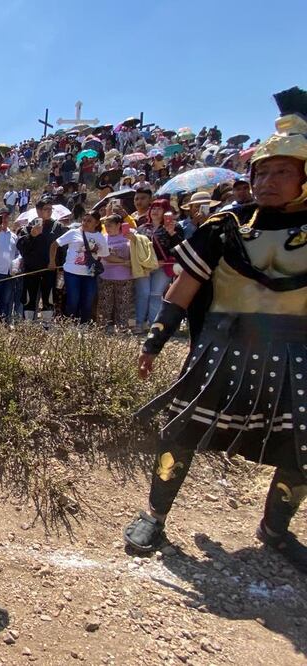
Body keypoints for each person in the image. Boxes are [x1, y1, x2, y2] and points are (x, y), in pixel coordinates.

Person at [123, 87, 307, 573]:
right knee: (181, 434)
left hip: (298, 353)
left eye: (282, 171)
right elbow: (182, 290)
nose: (268, 180)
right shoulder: (225, 227)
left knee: (301, 448)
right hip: (223, 347)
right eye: (262, 171)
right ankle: (154, 516)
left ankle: (274, 529)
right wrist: (155, 339)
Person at [51, 211, 109, 323]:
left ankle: (84, 325)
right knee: (73, 300)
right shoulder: (73, 233)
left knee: (88, 300)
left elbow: (104, 254)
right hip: (72, 273)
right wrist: (52, 261)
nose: (85, 223)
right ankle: (69, 324)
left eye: (89, 221)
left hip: (89, 274)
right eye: (84, 220)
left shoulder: (99, 237)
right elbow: (55, 245)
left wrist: (95, 251)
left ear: (96, 223)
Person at [134, 200, 183, 332]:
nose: (155, 211)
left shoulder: (175, 226)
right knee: (143, 293)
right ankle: (138, 323)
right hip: (144, 266)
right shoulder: (142, 227)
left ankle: (152, 325)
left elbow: (179, 247)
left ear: (166, 211)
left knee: (156, 294)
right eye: (153, 208)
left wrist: (172, 232)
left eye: (159, 208)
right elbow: (137, 248)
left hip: (164, 265)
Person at [96, 214, 135, 331]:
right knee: (105, 303)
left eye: (110, 225)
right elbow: (106, 256)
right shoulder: (103, 238)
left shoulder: (129, 235)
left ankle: (122, 327)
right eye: (106, 225)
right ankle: (102, 327)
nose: (107, 228)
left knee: (123, 303)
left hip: (125, 277)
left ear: (119, 225)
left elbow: (138, 249)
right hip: (106, 276)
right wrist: (124, 262)